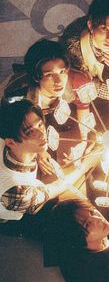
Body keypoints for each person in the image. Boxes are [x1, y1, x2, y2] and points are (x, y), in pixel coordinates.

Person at [0, 99, 95, 237]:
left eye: (40, 124)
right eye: (30, 132)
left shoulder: (8, 143)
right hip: (13, 218)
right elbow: (54, 189)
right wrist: (86, 165)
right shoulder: (17, 191)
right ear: (10, 142)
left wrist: (40, 152)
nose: (41, 134)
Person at [3, 39, 92, 166]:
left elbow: (84, 109)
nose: (59, 81)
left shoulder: (79, 82)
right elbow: (16, 130)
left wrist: (83, 143)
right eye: (49, 75)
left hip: (63, 112)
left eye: (62, 72)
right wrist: (39, 151)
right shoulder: (16, 97)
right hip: (31, 118)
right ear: (36, 77)